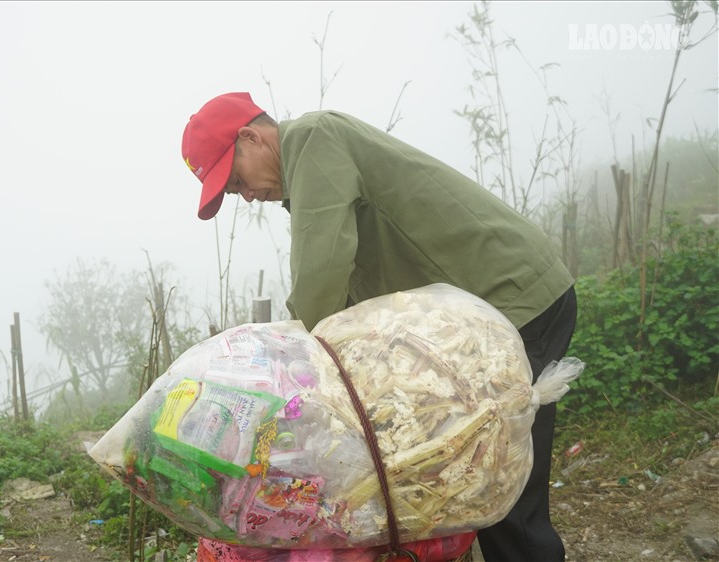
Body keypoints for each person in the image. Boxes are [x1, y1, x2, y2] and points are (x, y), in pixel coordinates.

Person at [181, 92, 578, 562]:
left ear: (252, 137)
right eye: (233, 193)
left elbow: (320, 278)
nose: (246, 195)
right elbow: (351, 297)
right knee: (465, 477)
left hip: (511, 300)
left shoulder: (313, 140)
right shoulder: (313, 171)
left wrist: (286, 365)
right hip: (480, 321)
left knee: (497, 484)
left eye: (236, 180)